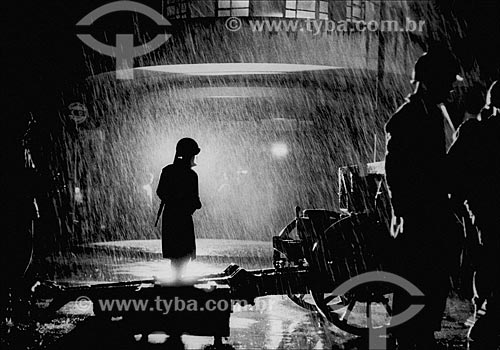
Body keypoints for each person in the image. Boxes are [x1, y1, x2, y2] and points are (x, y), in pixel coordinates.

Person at [384, 45, 463, 349]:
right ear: (430, 80)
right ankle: (410, 336)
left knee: (431, 279)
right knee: (419, 278)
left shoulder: (428, 113)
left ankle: (419, 333)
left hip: (429, 213)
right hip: (420, 216)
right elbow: (398, 172)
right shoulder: (409, 118)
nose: (451, 88)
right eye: (447, 82)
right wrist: (405, 212)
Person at [448, 81, 500, 349]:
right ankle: (485, 320)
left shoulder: (474, 133)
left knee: (487, 262)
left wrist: (464, 205)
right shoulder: (478, 133)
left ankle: (483, 316)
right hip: (486, 212)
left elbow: (452, 177)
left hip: (482, 213)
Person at [156, 138, 202, 281]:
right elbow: (196, 201)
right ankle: (178, 280)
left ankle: (176, 279)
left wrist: (174, 200)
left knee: (175, 254)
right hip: (183, 218)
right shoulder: (191, 175)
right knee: (184, 253)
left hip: (171, 216)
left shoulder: (168, 171)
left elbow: (160, 192)